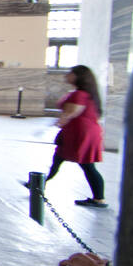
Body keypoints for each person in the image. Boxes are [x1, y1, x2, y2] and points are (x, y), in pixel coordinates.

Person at [41, 65, 107, 207]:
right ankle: (39, 184)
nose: (67, 75)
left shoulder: (80, 94)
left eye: (71, 73)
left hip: (81, 133)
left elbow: (72, 112)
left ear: (78, 76)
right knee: (59, 159)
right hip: (80, 132)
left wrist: (60, 122)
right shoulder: (84, 93)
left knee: (86, 165)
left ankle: (39, 184)